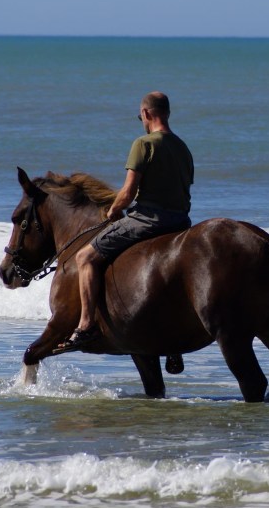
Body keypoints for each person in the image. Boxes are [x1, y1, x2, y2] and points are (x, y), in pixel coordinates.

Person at [56, 92, 193, 374]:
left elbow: (128, 193)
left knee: (85, 257)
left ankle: (85, 325)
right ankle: (174, 345)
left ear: (146, 113)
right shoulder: (182, 147)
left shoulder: (143, 144)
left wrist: (113, 211)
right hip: (180, 222)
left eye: (140, 116)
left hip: (148, 219)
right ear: (167, 113)